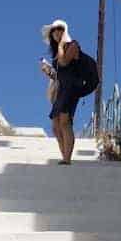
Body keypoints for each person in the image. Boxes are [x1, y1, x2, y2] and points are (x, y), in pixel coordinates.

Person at [40, 19, 82, 165]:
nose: (56, 33)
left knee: (65, 122)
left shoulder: (71, 45)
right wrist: (49, 71)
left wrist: (61, 45)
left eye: (59, 29)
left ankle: (67, 158)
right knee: (55, 125)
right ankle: (64, 155)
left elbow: (65, 63)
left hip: (70, 87)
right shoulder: (58, 50)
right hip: (61, 89)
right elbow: (59, 73)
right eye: (54, 31)